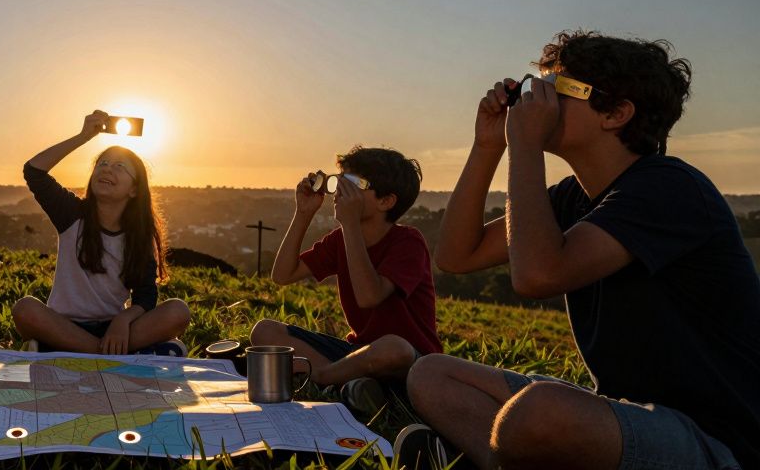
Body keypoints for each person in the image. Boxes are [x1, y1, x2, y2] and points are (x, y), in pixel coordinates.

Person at [399, 31, 760, 470]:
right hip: (622, 413)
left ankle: (489, 455)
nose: (538, 98)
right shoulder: (574, 196)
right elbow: (458, 256)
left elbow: (537, 276)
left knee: (540, 411)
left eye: (558, 87)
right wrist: (488, 145)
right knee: (432, 374)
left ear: (616, 113)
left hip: (716, 442)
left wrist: (525, 145)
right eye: (540, 84)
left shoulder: (670, 188)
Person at [251, 146, 439, 419]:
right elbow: (283, 275)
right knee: (265, 331)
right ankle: (355, 386)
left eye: (351, 184)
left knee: (392, 348)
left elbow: (369, 296)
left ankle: (324, 378)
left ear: (386, 201)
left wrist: (350, 224)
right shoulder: (339, 240)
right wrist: (303, 214)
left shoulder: (408, 242)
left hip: (412, 363)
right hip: (357, 354)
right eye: (338, 181)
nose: (339, 191)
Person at [12, 111, 190, 355]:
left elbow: (145, 296)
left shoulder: (139, 236)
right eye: (102, 164)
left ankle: (59, 349)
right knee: (25, 309)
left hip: (114, 330)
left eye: (119, 167)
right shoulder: (72, 214)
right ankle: (112, 353)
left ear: (134, 190)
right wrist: (83, 137)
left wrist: (122, 320)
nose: (107, 169)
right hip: (65, 326)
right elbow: (34, 171)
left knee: (178, 311)